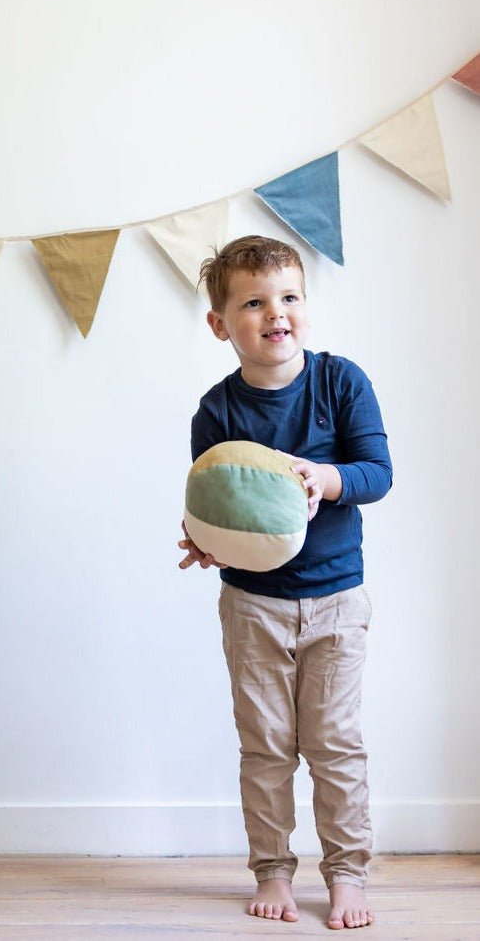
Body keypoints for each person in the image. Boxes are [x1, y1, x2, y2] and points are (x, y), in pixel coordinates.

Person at [178, 235, 392, 930]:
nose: (277, 312)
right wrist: (205, 543)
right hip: (253, 606)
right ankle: (271, 867)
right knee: (266, 745)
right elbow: (218, 503)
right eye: (254, 301)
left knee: (334, 744)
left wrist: (326, 479)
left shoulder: (341, 382)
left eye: (290, 296)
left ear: (306, 306)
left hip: (337, 601)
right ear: (221, 324)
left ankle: (348, 872)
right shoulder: (217, 413)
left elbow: (377, 473)